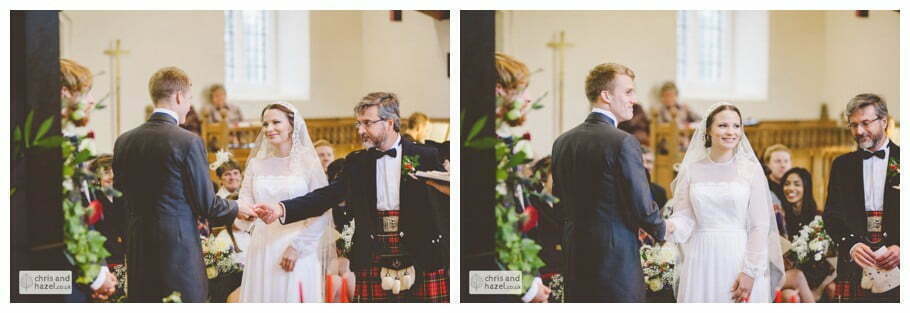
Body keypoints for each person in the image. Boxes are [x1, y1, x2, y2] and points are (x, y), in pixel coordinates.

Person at [253, 92, 450, 302]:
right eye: (358, 124)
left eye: (367, 123)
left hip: (421, 250)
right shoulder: (357, 163)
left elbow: (445, 202)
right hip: (374, 251)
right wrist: (282, 208)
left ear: (390, 122)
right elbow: (326, 196)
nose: (360, 130)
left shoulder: (425, 156)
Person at [113, 67, 248, 302]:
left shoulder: (124, 141)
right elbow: (207, 204)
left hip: (138, 252)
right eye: (189, 99)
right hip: (177, 253)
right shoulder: (188, 141)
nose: (189, 106)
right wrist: (238, 208)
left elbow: (118, 202)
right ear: (178, 97)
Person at [552, 63, 666, 302]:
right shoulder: (623, 142)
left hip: (575, 255)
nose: (634, 100)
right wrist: (665, 230)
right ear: (605, 95)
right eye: (628, 92)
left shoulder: (562, 142)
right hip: (615, 260)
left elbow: (558, 204)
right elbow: (642, 206)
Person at [665, 102, 785, 303]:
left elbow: (759, 226)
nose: (731, 132)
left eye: (736, 126)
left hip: (738, 255)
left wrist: (750, 270)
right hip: (701, 256)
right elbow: (684, 218)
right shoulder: (691, 170)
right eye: (723, 126)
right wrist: (667, 226)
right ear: (708, 130)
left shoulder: (750, 170)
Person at [234, 102, 336, 302]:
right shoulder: (256, 165)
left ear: (291, 125)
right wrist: (246, 212)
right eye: (265, 124)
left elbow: (322, 210)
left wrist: (297, 247)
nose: (269, 129)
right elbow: (244, 201)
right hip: (262, 246)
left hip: (297, 246)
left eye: (275, 122)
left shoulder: (308, 163)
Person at [823, 93, 899, 302]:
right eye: (853, 125)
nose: (859, 131)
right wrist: (852, 246)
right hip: (854, 263)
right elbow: (831, 215)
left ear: (883, 121)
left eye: (866, 123)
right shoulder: (841, 165)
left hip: (899, 263)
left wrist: (902, 247)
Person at [59, 58, 117, 302]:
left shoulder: (70, 144)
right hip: (62, 276)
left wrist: (100, 270)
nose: (92, 100)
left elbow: (86, 219)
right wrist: (95, 277)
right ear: (65, 94)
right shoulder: (50, 150)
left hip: (80, 275)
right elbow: (66, 218)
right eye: (86, 93)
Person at [778, 167, 836, 302]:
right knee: (789, 295)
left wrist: (819, 288)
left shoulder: (817, 218)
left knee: (832, 288)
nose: (790, 188)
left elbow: (830, 258)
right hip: (789, 274)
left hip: (816, 276)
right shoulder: (780, 217)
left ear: (806, 187)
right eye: (787, 184)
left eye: (797, 184)